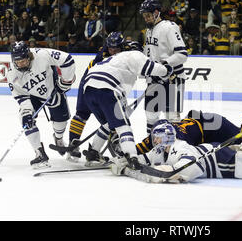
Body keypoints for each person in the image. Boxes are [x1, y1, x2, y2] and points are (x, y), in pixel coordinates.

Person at [70, 32, 174, 170]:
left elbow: (142, 73)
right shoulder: (134, 55)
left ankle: (93, 153)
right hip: (107, 89)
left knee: (108, 123)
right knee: (123, 125)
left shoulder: (114, 59)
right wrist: (167, 70)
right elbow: (153, 68)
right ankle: (132, 158)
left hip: (89, 89)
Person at [65, 32, 142, 164]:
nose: (113, 51)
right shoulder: (103, 54)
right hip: (90, 81)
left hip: (105, 83)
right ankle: (74, 142)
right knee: (83, 113)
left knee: (111, 120)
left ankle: (107, 147)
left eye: (116, 48)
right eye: (110, 48)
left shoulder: (127, 51)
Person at [111, 121, 242, 183]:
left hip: (220, 161)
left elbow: (196, 168)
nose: (154, 141)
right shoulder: (159, 151)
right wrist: (127, 161)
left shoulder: (180, 146)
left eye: (156, 137)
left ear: (164, 137)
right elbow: (143, 160)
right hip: (212, 150)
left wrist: (173, 171)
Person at [6, 41, 76, 168]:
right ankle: (39, 153)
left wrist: (65, 82)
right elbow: (21, 96)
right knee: (25, 118)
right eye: (18, 62)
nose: (21, 64)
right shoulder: (11, 73)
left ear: (29, 56)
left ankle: (59, 139)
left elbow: (67, 60)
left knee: (61, 119)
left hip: (51, 90)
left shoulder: (42, 55)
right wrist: (27, 112)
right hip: (31, 96)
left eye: (24, 61)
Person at [139, 0, 188, 134]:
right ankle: (152, 147)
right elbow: (150, 53)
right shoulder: (149, 30)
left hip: (173, 78)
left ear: (156, 13)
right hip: (154, 78)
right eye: (144, 16)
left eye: (148, 15)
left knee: (172, 118)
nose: (146, 18)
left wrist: (165, 65)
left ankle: (173, 150)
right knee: (150, 116)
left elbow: (182, 54)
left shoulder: (169, 27)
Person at [131, 110, 242, 156]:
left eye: (157, 137)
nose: (155, 141)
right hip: (201, 127)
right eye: (154, 136)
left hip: (214, 125)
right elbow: (138, 149)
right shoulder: (159, 136)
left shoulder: (181, 140)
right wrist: (125, 155)